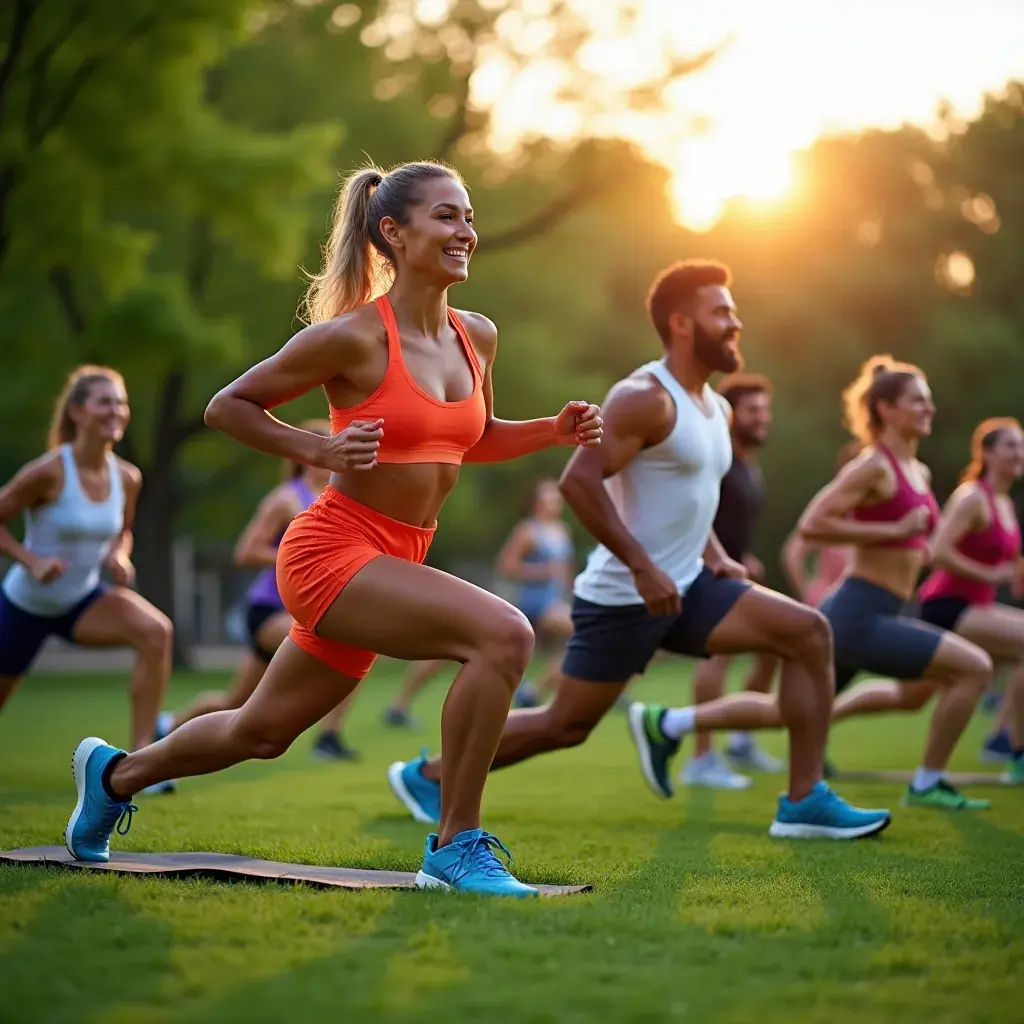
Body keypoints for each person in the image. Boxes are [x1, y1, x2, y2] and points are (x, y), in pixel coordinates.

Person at [63, 159, 602, 898]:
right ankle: (455, 846)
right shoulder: (354, 339)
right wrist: (315, 447)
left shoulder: (478, 336)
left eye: (469, 217)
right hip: (333, 550)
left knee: (260, 731)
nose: (465, 232)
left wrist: (551, 430)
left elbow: (463, 441)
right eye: (446, 216)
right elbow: (229, 406)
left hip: (396, 555)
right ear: (393, 231)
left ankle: (114, 775)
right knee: (505, 634)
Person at [391, 259, 891, 840]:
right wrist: (643, 567)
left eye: (733, 312)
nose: (735, 324)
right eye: (721, 313)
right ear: (681, 323)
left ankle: (804, 801)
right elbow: (580, 482)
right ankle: (428, 776)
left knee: (808, 632)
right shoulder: (644, 398)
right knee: (565, 724)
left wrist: (713, 552)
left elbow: (686, 491)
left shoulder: (717, 408)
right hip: (627, 594)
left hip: (691, 585)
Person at [798, 357, 993, 809]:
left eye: (928, 400)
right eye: (917, 400)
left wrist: (917, 548)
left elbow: (910, 536)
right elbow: (813, 523)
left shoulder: (918, 472)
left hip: (884, 609)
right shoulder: (874, 466)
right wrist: (894, 531)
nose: (929, 408)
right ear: (885, 409)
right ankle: (927, 783)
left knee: (786, 710)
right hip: (857, 612)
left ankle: (670, 723)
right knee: (975, 668)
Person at [832, 416, 1024, 784]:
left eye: (1022, 445)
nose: (1020, 453)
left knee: (908, 698)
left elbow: (999, 556)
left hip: (977, 609)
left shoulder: (1005, 504)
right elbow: (936, 552)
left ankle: (820, 718)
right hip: (947, 606)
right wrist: (988, 574)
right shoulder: (972, 497)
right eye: (1010, 446)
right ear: (987, 453)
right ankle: (1012, 749)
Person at [157, 421, 359, 761]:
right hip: (269, 611)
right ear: (304, 454)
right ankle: (329, 737)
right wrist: (297, 554)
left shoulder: (338, 500)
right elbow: (245, 551)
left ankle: (167, 725)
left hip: (303, 610)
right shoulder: (286, 498)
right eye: (322, 447)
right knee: (347, 644)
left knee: (234, 704)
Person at [0, 366, 172, 754]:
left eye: (121, 403)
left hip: (81, 602)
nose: (115, 411)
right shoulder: (48, 472)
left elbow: (121, 533)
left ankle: (142, 756)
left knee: (157, 632)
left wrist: (119, 555)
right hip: (24, 606)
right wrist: (31, 561)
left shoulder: (127, 477)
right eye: (104, 402)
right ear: (77, 412)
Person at [381, 477, 574, 725]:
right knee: (453, 647)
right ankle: (400, 703)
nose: (554, 502)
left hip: (553, 604)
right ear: (536, 502)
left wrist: (568, 589)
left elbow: (564, 571)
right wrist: (541, 571)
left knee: (580, 635)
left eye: (556, 497)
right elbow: (507, 567)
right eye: (548, 497)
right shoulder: (527, 531)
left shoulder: (561, 531)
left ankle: (534, 692)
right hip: (526, 603)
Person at [684, 373, 783, 789]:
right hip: (704, 573)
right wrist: (718, 558)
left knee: (775, 645)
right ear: (730, 415)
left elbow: (732, 520)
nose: (763, 418)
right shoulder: (719, 457)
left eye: (765, 410)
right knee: (718, 658)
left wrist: (746, 558)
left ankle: (741, 739)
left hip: (733, 568)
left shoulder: (744, 461)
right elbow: (697, 512)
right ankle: (701, 759)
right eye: (753, 410)